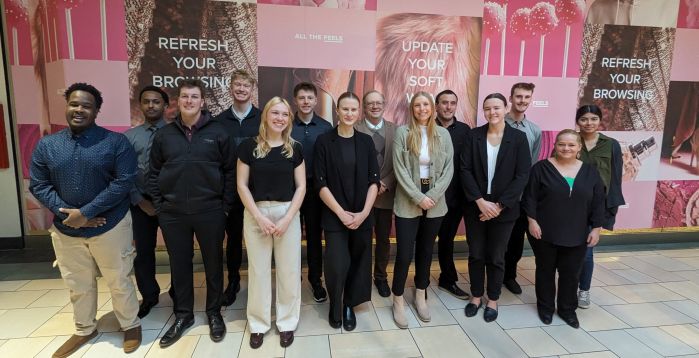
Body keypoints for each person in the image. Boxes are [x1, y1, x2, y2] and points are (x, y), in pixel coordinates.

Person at [29, 83, 142, 357]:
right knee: (77, 283)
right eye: (74, 104)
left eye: (86, 106)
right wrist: (68, 215)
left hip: (110, 224)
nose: (79, 109)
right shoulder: (48, 145)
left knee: (119, 279)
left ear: (96, 110)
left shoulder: (115, 142)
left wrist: (87, 213)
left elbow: (124, 181)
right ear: (67, 106)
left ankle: (131, 325)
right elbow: (39, 185)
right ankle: (84, 328)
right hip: (66, 228)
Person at [149, 79, 234, 347]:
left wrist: (225, 207)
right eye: (184, 96)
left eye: (194, 97)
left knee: (212, 264)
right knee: (180, 266)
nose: (189, 101)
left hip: (210, 210)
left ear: (202, 101)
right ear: (178, 100)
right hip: (173, 214)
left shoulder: (218, 132)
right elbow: (153, 173)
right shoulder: (164, 135)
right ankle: (183, 315)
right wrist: (161, 207)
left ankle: (213, 312)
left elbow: (231, 172)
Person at [238, 97, 306, 349]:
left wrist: (288, 218)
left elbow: (302, 187)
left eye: (285, 114)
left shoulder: (294, 148)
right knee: (258, 272)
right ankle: (258, 324)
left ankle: (287, 322)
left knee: (289, 271)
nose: (280, 118)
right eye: (275, 113)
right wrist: (258, 217)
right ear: (266, 115)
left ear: (289, 119)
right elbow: (241, 185)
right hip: (257, 214)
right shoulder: (249, 147)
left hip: (287, 213)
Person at [524, 129, 605, 328]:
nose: (566, 148)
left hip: (577, 233)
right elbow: (530, 197)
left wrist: (596, 228)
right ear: (555, 146)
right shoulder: (541, 168)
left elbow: (598, 202)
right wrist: (532, 221)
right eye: (562, 144)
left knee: (571, 274)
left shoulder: (590, 172)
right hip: (544, 231)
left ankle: (568, 310)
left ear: (579, 147)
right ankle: (545, 308)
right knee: (545, 271)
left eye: (571, 145)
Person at [460, 93, 531, 322]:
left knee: (497, 256)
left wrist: (499, 205)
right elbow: (465, 170)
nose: (492, 112)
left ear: (505, 108)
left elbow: (522, 175)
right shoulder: (474, 136)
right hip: (476, 207)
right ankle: (476, 296)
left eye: (497, 108)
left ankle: (493, 298)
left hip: (505, 209)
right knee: (476, 254)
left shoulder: (518, 139)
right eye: (488, 108)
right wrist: (480, 201)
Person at [314, 92, 380, 331]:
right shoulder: (324, 141)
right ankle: (335, 303)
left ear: (358, 112)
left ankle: (349, 304)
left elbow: (375, 180)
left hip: (362, 215)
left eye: (354, 109)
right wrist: (341, 213)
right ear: (337, 111)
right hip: (334, 215)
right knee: (336, 263)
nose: (349, 114)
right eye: (345, 109)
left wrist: (363, 213)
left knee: (359, 261)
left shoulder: (365, 141)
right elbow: (320, 184)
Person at [391, 91, 454, 327]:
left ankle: (420, 295)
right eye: (417, 105)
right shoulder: (402, 133)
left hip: (435, 203)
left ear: (432, 108)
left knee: (426, 252)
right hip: (409, 202)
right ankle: (397, 299)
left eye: (425, 104)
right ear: (412, 109)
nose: (422, 109)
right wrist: (418, 196)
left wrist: (433, 195)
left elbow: (449, 169)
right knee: (405, 254)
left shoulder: (444, 134)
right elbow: (399, 169)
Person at [214, 69, 262, 307]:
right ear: (230, 88)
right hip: (231, 193)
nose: (242, 89)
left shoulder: (264, 119)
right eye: (237, 85)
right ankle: (233, 281)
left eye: (246, 85)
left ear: (252, 89)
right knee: (233, 240)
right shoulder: (219, 122)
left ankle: (259, 282)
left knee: (260, 240)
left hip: (260, 192)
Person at [124, 85, 171, 318]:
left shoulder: (176, 133)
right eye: (146, 101)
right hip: (141, 202)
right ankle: (149, 295)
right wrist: (139, 200)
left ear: (165, 105)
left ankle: (178, 291)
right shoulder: (129, 137)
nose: (151, 105)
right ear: (140, 105)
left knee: (179, 251)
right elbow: (124, 173)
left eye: (156, 101)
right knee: (143, 252)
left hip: (171, 203)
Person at [575, 104, 625, 308]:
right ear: (578, 121)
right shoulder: (570, 140)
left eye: (593, 119)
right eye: (584, 119)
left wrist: (609, 209)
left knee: (587, 251)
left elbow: (616, 176)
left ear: (599, 120)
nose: (589, 123)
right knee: (568, 250)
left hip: (595, 205)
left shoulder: (611, 144)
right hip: (570, 204)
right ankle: (568, 286)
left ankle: (584, 290)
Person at [290, 82, 332, 302]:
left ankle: (316, 281)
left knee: (315, 237)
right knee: (291, 238)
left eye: (309, 98)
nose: (306, 102)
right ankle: (292, 281)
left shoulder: (325, 127)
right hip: (291, 191)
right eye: (301, 98)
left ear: (316, 101)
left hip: (316, 192)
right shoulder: (285, 125)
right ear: (295, 101)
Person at [354, 90, 397, 298]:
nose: (374, 106)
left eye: (378, 102)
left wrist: (384, 183)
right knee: (361, 240)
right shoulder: (354, 128)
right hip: (361, 197)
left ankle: (380, 278)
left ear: (384, 104)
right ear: (364, 106)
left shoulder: (396, 130)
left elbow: (400, 163)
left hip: (387, 196)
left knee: (383, 240)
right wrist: (371, 185)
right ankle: (360, 278)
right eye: (370, 103)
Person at [503, 82, 542, 295]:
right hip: (498, 194)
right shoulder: (498, 124)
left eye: (527, 97)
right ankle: (493, 275)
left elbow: (532, 164)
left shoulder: (534, 130)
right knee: (497, 240)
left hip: (520, 196)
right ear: (511, 98)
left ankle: (509, 276)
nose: (522, 101)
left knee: (516, 240)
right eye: (518, 96)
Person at [434, 89, 471, 300]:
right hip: (430, 197)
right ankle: (420, 282)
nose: (448, 107)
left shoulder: (466, 131)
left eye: (452, 103)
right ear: (437, 105)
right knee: (424, 239)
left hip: (456, 198)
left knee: (447, 239)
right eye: (444, 103)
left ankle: (448, 280)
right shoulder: (427, 128)